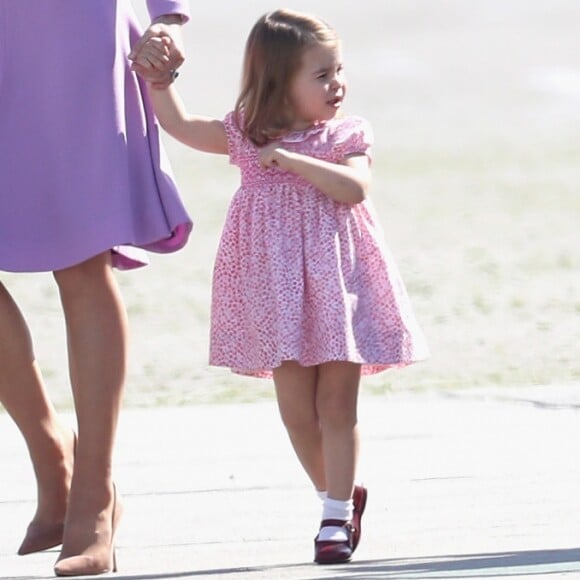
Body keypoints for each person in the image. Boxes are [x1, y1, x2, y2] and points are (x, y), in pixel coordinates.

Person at [132, 8, 429, 565]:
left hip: (341, 288)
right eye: (320, 74)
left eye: (338, 69)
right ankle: (338, 494)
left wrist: (294, 161)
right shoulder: (247, 133)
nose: (336, 83)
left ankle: (334, 518)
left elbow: (355, 188)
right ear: (278, 82)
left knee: (337, 405)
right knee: (297, 412)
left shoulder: (345, 134)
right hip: (275, 294)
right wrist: (159, 81)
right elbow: (180, 125)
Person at [0, 1, 192, 576]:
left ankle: (93, 494)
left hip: (68, 31)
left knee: (80, 260)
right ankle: (51, 454)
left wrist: (168, 16)